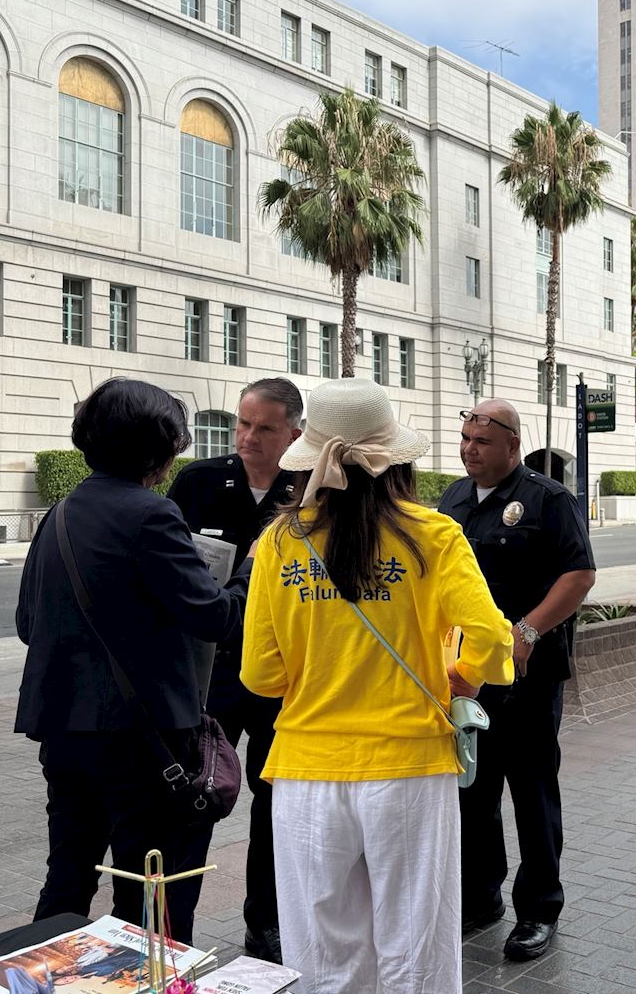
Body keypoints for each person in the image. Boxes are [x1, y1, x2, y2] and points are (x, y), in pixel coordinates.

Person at [240, 378, 514, 993]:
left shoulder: (281, 541)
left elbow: (260, 675)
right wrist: (463, 676)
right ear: (394, 458)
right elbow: (492, 639)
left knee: (323, 955)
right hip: (411, 766)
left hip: (308, 770)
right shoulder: (433, 534)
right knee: (417, 948)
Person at [15, 378, 252, 945]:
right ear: (161, 450)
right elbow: (215, 617)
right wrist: (252, 569)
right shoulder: (152, 514)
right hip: (140, 738)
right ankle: (146, 978)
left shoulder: (60, 512)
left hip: (64, 729)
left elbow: (28, 623)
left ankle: (41, 977)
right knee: (146, 887)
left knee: (68, 874)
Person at [438, 400, 596, 961]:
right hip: (468, 675)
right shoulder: (454, 499)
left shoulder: (548, 499)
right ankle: (480, 898)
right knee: (474, 791)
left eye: (481, 441)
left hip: (529, 675)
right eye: (465, 439)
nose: (469, 449)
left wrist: (527, 630)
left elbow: (579, 574)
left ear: (512, 443)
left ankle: (538, 909)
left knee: (532, 792)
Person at [167, 377, 302, 964]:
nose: (248, 437)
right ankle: (174, 930)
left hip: (281, 676)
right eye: (242, 424)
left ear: (294, 433)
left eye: (264, 428)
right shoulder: (198, 482)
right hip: (211, 672)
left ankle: (265, 922)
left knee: (274, 803)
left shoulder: (313, 489)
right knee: (194, 798)